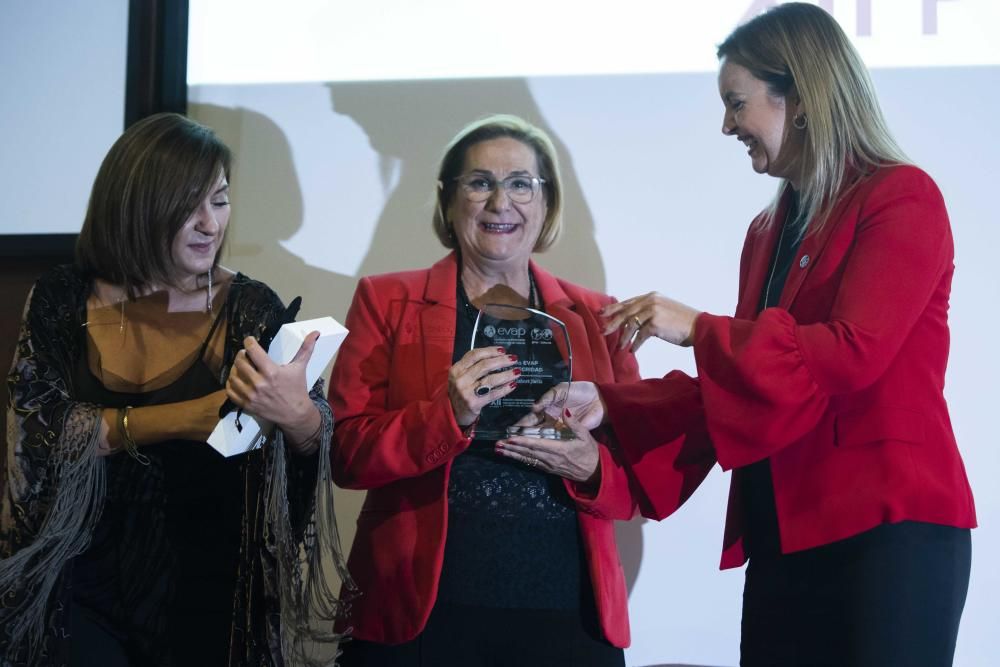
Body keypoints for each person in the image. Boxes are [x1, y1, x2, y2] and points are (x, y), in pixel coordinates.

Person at [523, 4, 977, 666]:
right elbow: (749, 386)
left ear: (797, 95)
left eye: (736, 103)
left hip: (888, 533)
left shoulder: (901, 197)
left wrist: (697, 328)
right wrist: (609, 403)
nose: (726, 124)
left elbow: (852, 354)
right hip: (784, 535)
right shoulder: (765, 234)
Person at [0, 113, 351, 666]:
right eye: (189, 205)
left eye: (220, 200)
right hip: (76, 585)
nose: (210, 224)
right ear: (136, 205)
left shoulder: (252, 307)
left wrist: (297, 413)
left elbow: (316, 441)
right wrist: (187, 417)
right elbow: (37, 436)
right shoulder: (61, 297)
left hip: (206, 587)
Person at [328, 114, 642, 666]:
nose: (501, 201)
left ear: (546, 203)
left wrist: (590, 464)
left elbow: (633, 480)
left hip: (565, 616)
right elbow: (345, 454)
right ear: (449, 202)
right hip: (420, 614)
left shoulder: (597, 316)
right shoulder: (386, 300)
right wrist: (443, 414)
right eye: (479, 183)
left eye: (521, 183)